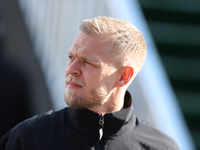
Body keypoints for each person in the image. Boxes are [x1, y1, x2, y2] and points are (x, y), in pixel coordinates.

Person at [0, 16, 179, 150]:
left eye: (88, 62)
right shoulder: (26, 139)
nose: (72, 69)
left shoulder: (161, 147)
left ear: (124, 76)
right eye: (71, 57)